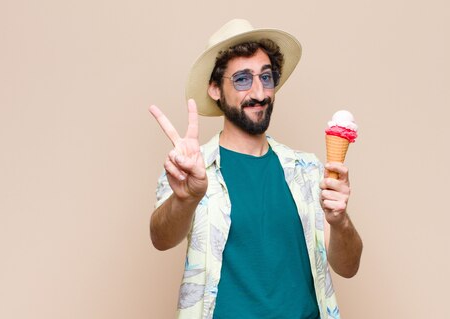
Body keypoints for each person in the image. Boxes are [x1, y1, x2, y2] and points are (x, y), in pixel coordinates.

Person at [148, 19, 363, 319]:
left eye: (266, 77)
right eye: (242, 79)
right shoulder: (192, 166)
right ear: (214, 88)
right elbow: (160, 238)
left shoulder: (308, 170)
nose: (259, 93)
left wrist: (340, 222)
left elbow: (348, 267)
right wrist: (185, 198)